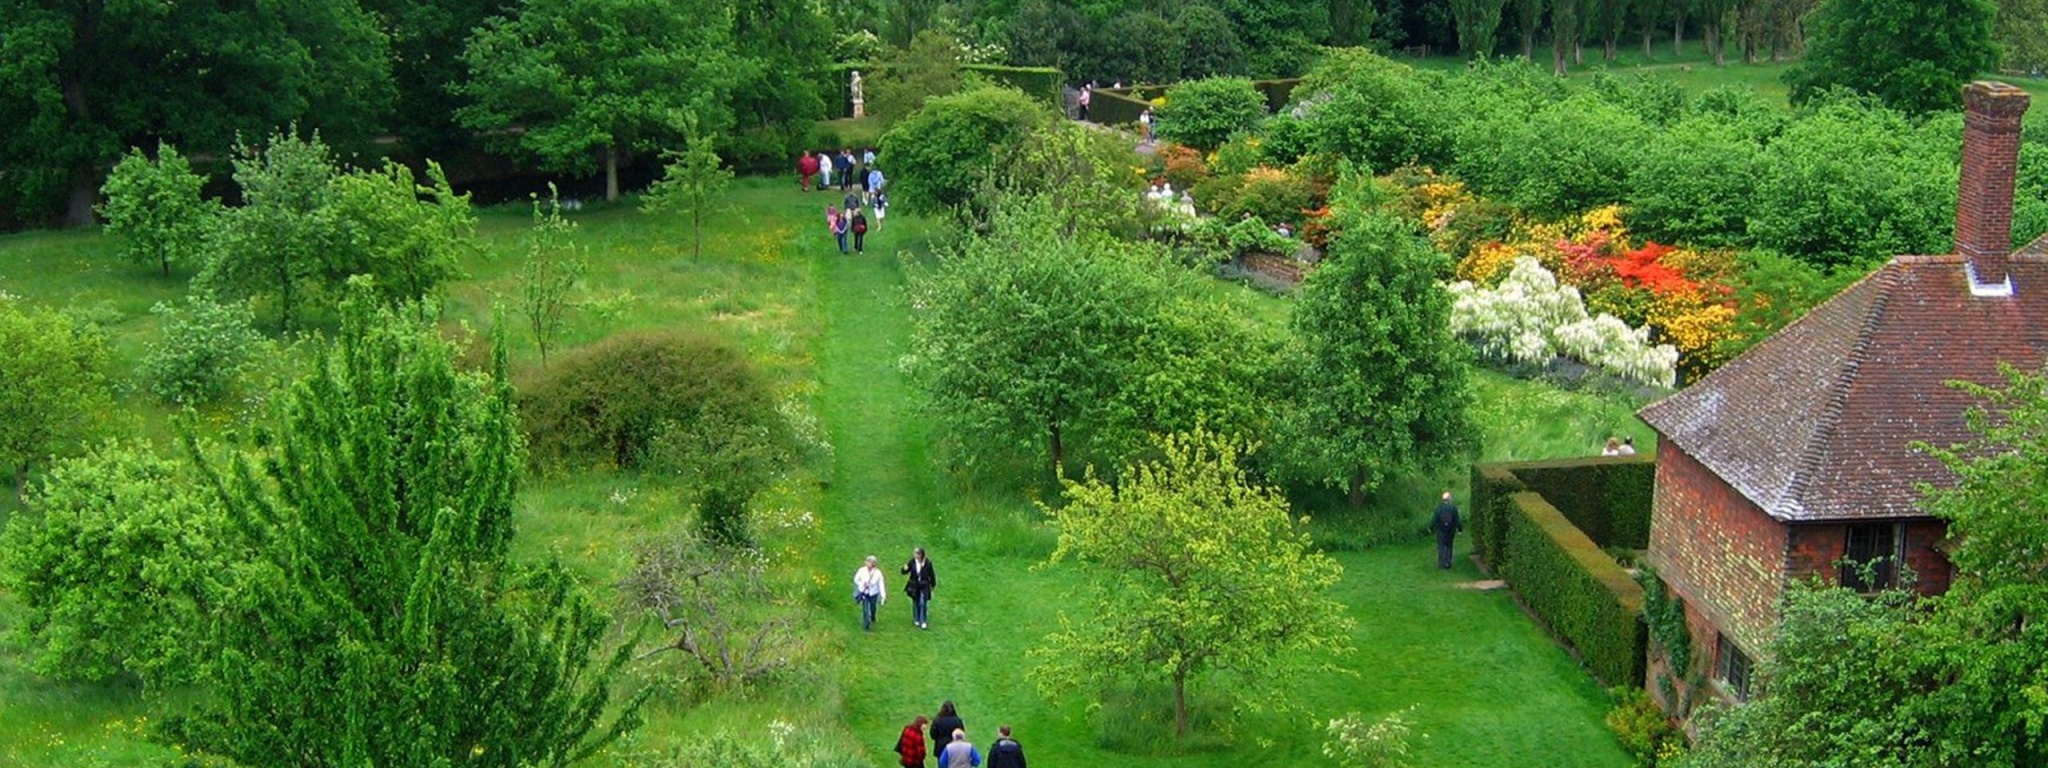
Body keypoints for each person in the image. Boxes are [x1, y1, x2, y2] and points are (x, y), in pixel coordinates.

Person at [901, 547, 937, 629]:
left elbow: (932, 574)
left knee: (923, 603)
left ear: (920, 555)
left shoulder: (927, 563)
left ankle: (923, 620)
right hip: (914, 585)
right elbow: (904, 571)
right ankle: (916, 618)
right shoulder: (912, 562)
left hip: (924, 585)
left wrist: (933, 585)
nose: (914, 555)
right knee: (915, 602)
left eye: (916, 553)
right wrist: (904, 568)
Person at [1430, 491, 1463, 570]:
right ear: (1449, 499)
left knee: (1441, 546)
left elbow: (1435, 519)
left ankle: (1441, 563)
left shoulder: (1439, 508)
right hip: (1450, 530)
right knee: (1449, 546)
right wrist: (1460, 529)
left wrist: (1431, 528)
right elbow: (1457, 519)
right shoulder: (1453, 508)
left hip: (1440, 530)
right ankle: (1448, 563)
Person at [853, 555, 886, 630]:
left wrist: (883, 596)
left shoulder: (878, 573)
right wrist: (862, 583)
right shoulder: (861, 570)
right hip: (864, 592)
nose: (868, 564)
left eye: (870, 562)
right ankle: (866, 626)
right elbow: (856, 579)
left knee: (873, 607)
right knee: (865, 610)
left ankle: (873, 617)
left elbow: (881, 584)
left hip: (873, 594)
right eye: (867, 562)